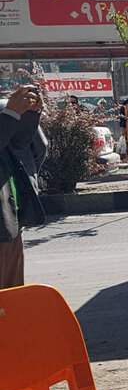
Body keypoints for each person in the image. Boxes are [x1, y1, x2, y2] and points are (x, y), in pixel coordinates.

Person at [0, 83, 47, 289]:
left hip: (9, 218)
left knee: (12, 297)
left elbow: (17, 144)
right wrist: (10, 113)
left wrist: (29, 114)